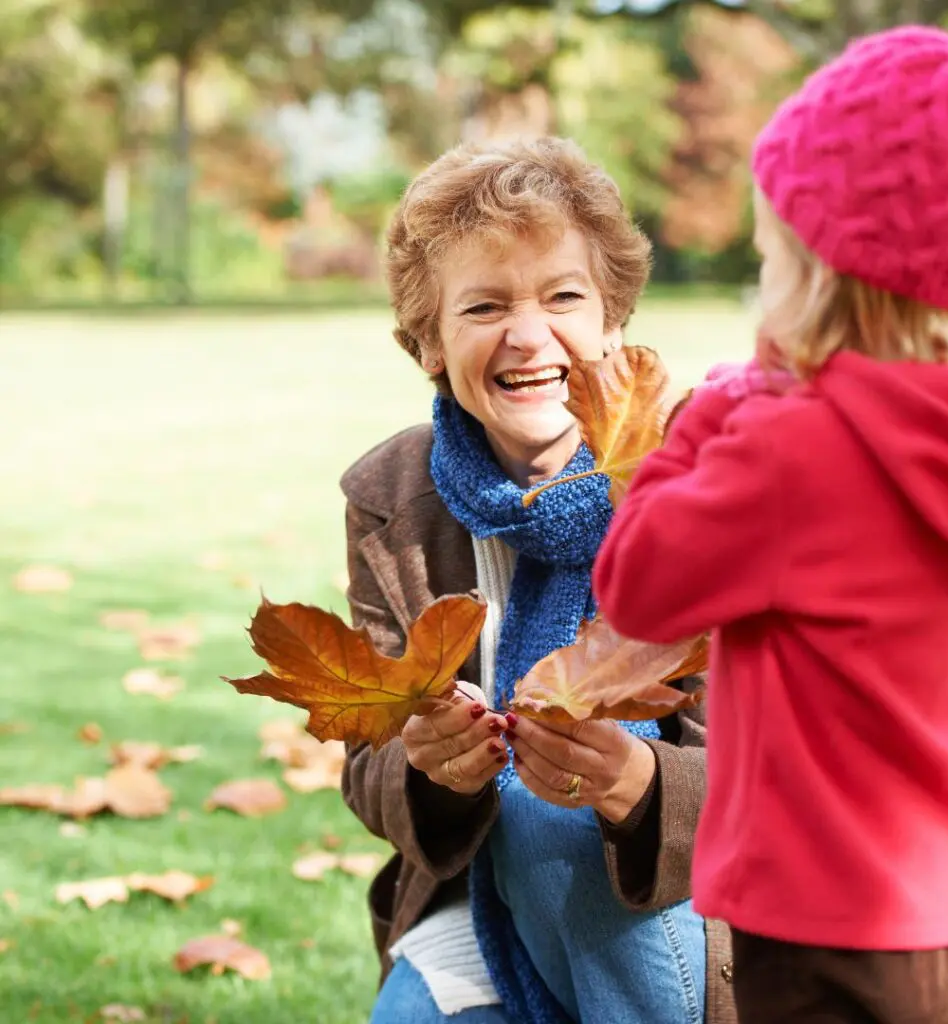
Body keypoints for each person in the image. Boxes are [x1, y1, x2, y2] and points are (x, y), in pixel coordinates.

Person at [593, 26, 948, 1024]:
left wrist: (705, 419)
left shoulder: (789, 451)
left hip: (822, 915)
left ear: (820, 269)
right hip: (946, 904)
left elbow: (639, 582)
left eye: (767, 258)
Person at [339, 135, 735, 1024]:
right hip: (476, 915)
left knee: (554, 812)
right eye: (483, 306)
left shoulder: (705, 480)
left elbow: (790, 766)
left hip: (682, 908)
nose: (529, 336)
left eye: (563, 296)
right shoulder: (388, 500)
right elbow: (367, 765)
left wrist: (641, 786)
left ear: (611, 319)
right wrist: (433, 771)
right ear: (429, 342)